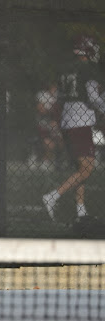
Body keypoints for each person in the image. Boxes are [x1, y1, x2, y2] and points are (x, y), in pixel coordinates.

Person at [43, 36, 104, 221]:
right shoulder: (89, 69)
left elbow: (61, 96)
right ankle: (53, 196)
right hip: (80, 120)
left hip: (67, 119)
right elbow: (93, 97)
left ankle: (81, 210)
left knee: (80, 167)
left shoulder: (65, 68)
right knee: (87, 168)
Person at [32, 82, 63, 171]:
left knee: (60, 141)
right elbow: (40, 109)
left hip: (54, 123)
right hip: (43, 123)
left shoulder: (58, 96)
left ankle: (56, 161)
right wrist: (52, 111)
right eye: (53, 86)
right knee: (49, 144)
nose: (54, 88)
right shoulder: (42, 94)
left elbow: (59, 111)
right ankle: (44, 161)